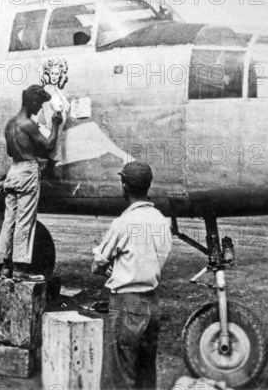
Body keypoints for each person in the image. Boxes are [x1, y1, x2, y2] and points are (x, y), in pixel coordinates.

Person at [91, 161, 172, 389]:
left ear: (124, 186)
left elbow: (96, 265)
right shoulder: (161, 221)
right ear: (148, 186)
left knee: (120, 377)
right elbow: (160, 257)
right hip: (152, 303)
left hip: (126, 304)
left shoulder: (122, 223)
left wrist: (114, 268)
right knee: (146, 377)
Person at [0, 85, 63, 281]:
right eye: (39, 104)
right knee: (25, 221)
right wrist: (56, 124)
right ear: (32, 102)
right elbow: (49, 145)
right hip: (27, 171)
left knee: (10, 220)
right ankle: (21, 269)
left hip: (13, 171)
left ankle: (5, 266)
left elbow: (9, 152)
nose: (40, 109)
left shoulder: (10, 124)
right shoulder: (28, 124)